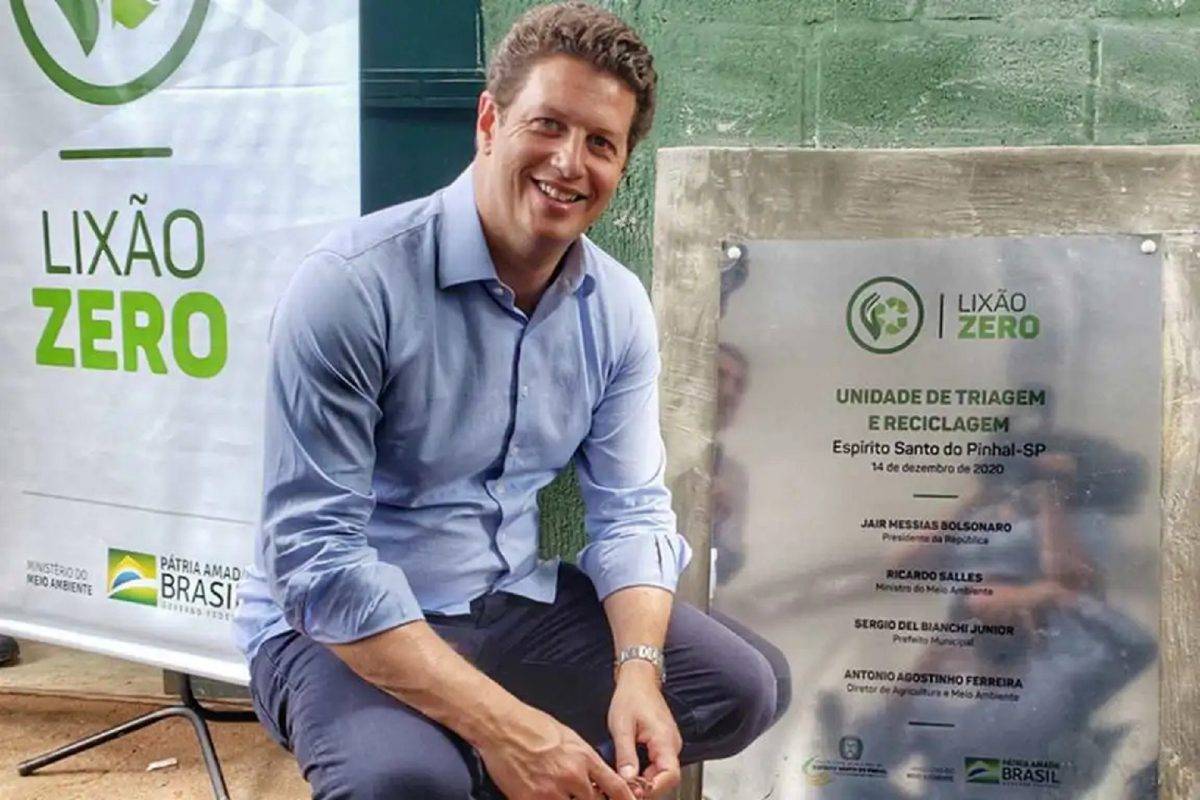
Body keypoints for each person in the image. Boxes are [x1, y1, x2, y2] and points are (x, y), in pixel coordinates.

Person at [233, 3, 789, 798]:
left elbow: (631, 511)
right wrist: (505, 729)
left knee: (740, 688)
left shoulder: (616, 307)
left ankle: (497, 766)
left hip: (510, 601)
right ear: (489, 121)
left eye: (601, 143)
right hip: (341, 630)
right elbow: (316, 561)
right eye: (547, 125)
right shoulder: (353, 286)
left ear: (622, 165)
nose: (569, 162)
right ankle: (473, 763)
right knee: (404, 783)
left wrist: (638, 672)